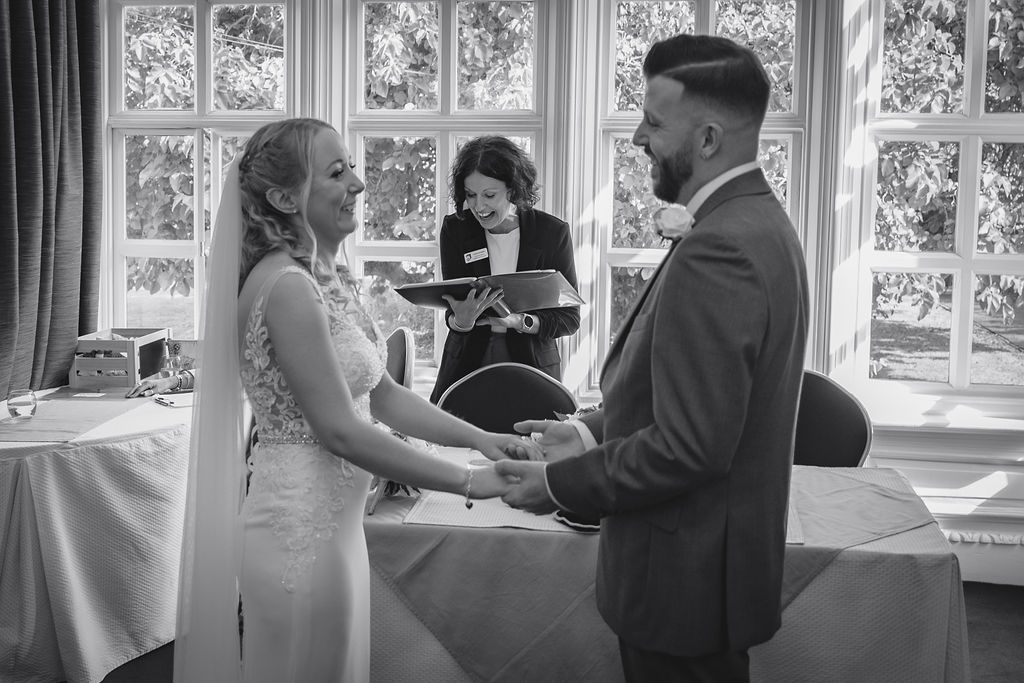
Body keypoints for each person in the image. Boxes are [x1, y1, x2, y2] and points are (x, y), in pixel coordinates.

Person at [173, 118, 538, 683]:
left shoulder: (327, 276)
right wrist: (468, 481)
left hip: (335, 531)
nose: (360, 184)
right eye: (338, 171)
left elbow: (383, 395)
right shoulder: (287, 288)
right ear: (282, 197)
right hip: (298, 532)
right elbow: (340, 429)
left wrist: (479, 440)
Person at [498, 34, 809, 682]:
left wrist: (558, 482)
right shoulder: (762, 222)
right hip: (707, 573)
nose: (637, 135)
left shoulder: (719, 248)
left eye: (653, 120)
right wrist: (586, 430)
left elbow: (691, 447)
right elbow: (704, 401)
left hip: (683, 578)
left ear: (708, 139)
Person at [429, 135, 580, 403]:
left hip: (532, 367)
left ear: (513, 190)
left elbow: (569, 318)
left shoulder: (552, 233)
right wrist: (461, 321)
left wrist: (521, 322)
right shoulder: (456, 229)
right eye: (471, 195)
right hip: (466, 364)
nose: (478, 207)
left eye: (489, 195)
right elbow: (453, 308)